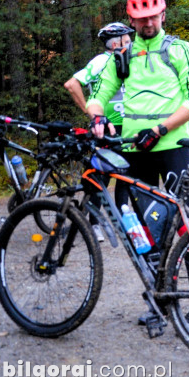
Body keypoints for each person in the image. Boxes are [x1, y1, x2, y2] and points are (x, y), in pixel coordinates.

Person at [86, 0, 189, 333]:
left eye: (154, 16)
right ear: (132, 20)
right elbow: (101, 91)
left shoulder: (180, 49)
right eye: (141, 18)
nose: (148, 22)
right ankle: (160, 301)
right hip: (133, 152)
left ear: (163, 15)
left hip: (173, 149)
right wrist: (95, 115)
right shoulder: (122, 55)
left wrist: (160, 129)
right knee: (142, 232)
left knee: (186, 227)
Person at [64, 22, 133, 242]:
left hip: (128, 127)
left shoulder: (130, 59)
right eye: (127, 38)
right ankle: (94, 225)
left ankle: (122, 219)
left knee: (125, 174)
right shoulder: (101, 61)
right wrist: (90, 112)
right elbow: (72, 84)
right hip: (106, 128)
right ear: (116, 42)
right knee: (99, 176)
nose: (131, 41)